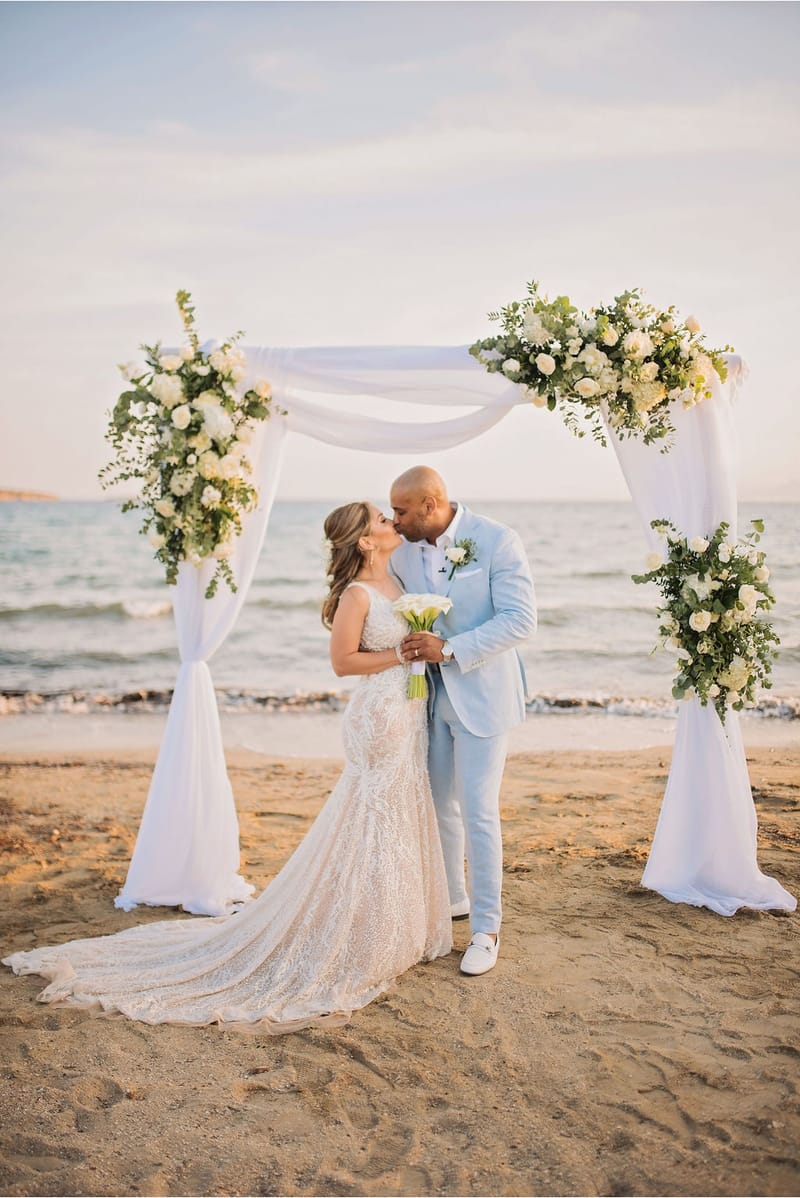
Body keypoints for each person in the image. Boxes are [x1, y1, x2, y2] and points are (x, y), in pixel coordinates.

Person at [3, 502, 452, 1032]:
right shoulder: (358, 594)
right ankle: (365, 935)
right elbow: (342, 662)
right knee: (375, 820)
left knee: (396, 818)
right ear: (364, 541)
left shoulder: (399, 582)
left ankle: (388, 924)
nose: (391, 522)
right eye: (381, 519)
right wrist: (402, 657)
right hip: (379, 716)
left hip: (406, 710)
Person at [390, 467, 536, 977]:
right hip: (428, 700)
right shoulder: (401, 553)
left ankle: (487, 929)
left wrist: (450, 648)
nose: (395, 521)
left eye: (402, 511)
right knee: (438, 805)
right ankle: (453, 899)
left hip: (485, 696)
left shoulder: (496, 540)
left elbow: (521, 619)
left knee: (479, 811)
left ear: (431, 505)